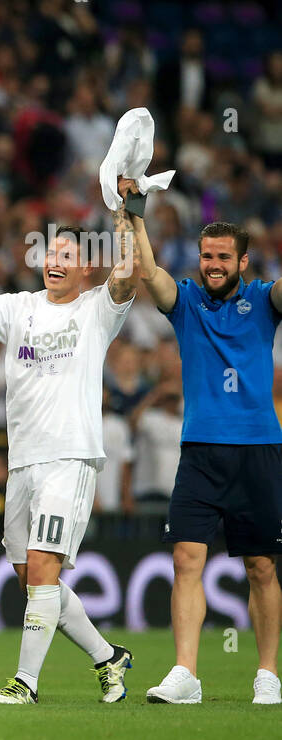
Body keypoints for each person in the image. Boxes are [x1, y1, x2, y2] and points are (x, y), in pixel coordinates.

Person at [0, 216, 137, 704]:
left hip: (69, 456)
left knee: (43, 565)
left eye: (67, 256)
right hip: (23, 461)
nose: (54, 262)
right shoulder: (19, 308)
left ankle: (25, 684)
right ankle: (108, 658)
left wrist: (128, 217)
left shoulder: (97, 310)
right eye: (50, 254)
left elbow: (129, 274)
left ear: (87, 269)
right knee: (31, 577)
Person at [124, 192, 282, 705]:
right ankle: (186, 674)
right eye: (206, 256)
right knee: (186, 558)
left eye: (223, 258)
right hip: (199, 453)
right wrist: (135, 216)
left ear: (243, 261)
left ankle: (266, 674)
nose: (213, 265)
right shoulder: (187, 303)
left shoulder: (262, 301)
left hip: (258, 449)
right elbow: (148, 272)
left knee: (260, 566)